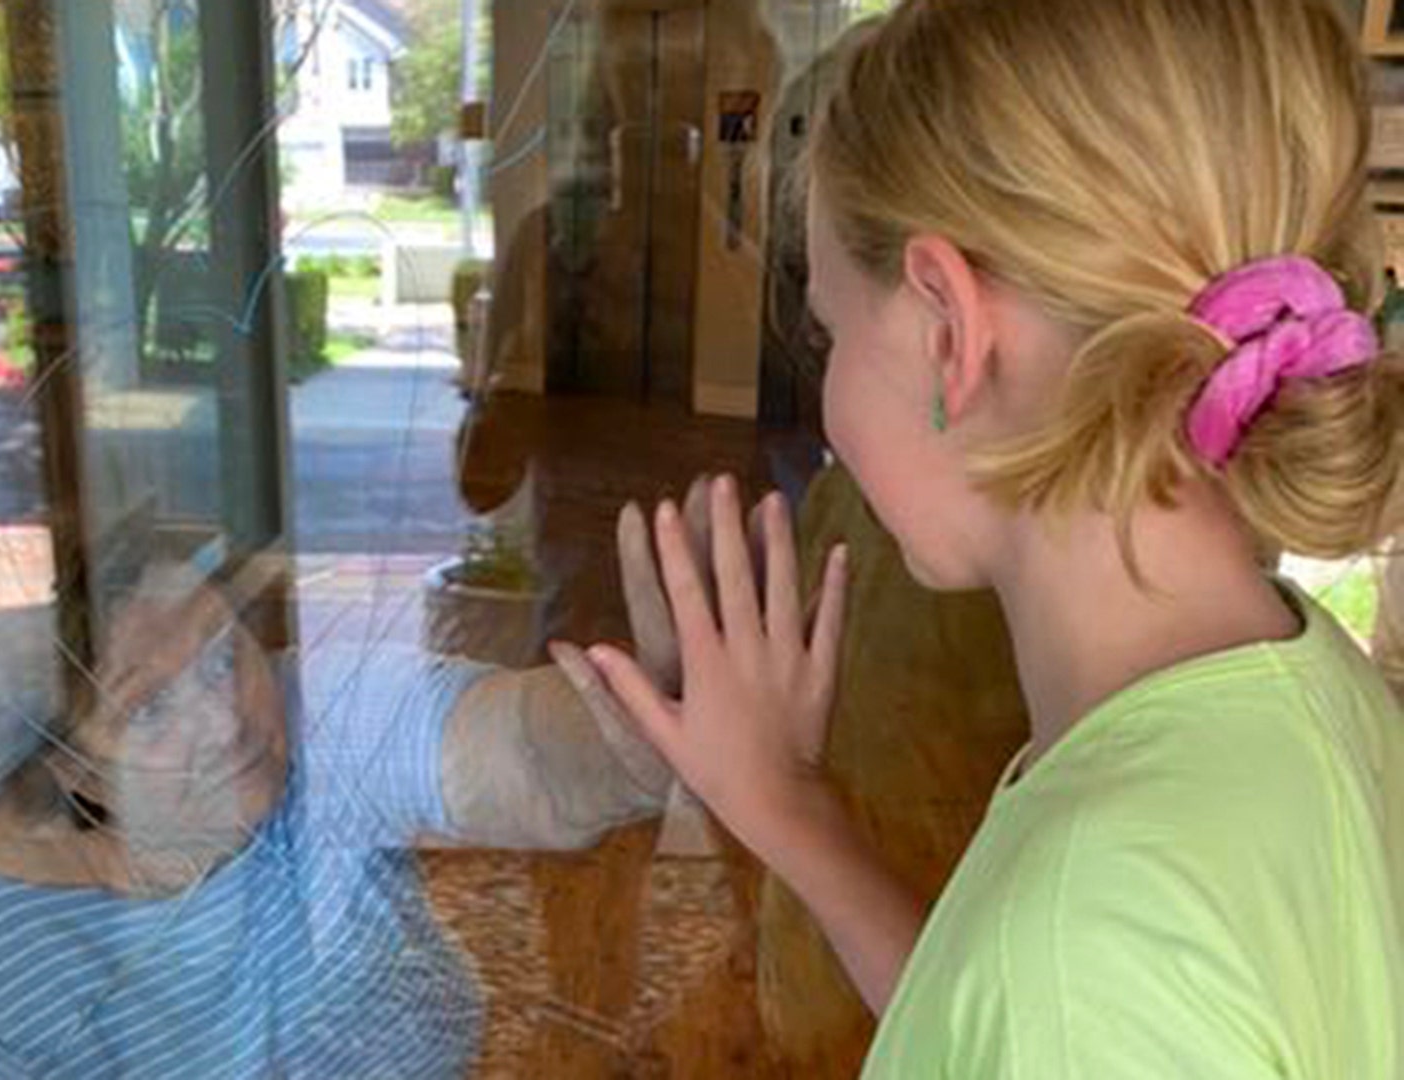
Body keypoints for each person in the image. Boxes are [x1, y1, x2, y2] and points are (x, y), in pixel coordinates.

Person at [580, 0, 1404, 1074]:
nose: (826, 384)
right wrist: (788, 808)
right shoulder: (1300, 689)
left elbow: (1056, 996)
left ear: (949, 331)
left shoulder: (1092, 942)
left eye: (828, 330)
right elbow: (992, 1019)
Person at [0, 536, 686, 1077]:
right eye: (151, 709)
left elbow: (514, 749)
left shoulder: (310, 706)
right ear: (76, 772)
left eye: (221, 655)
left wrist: (626, 739)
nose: (226, 716)